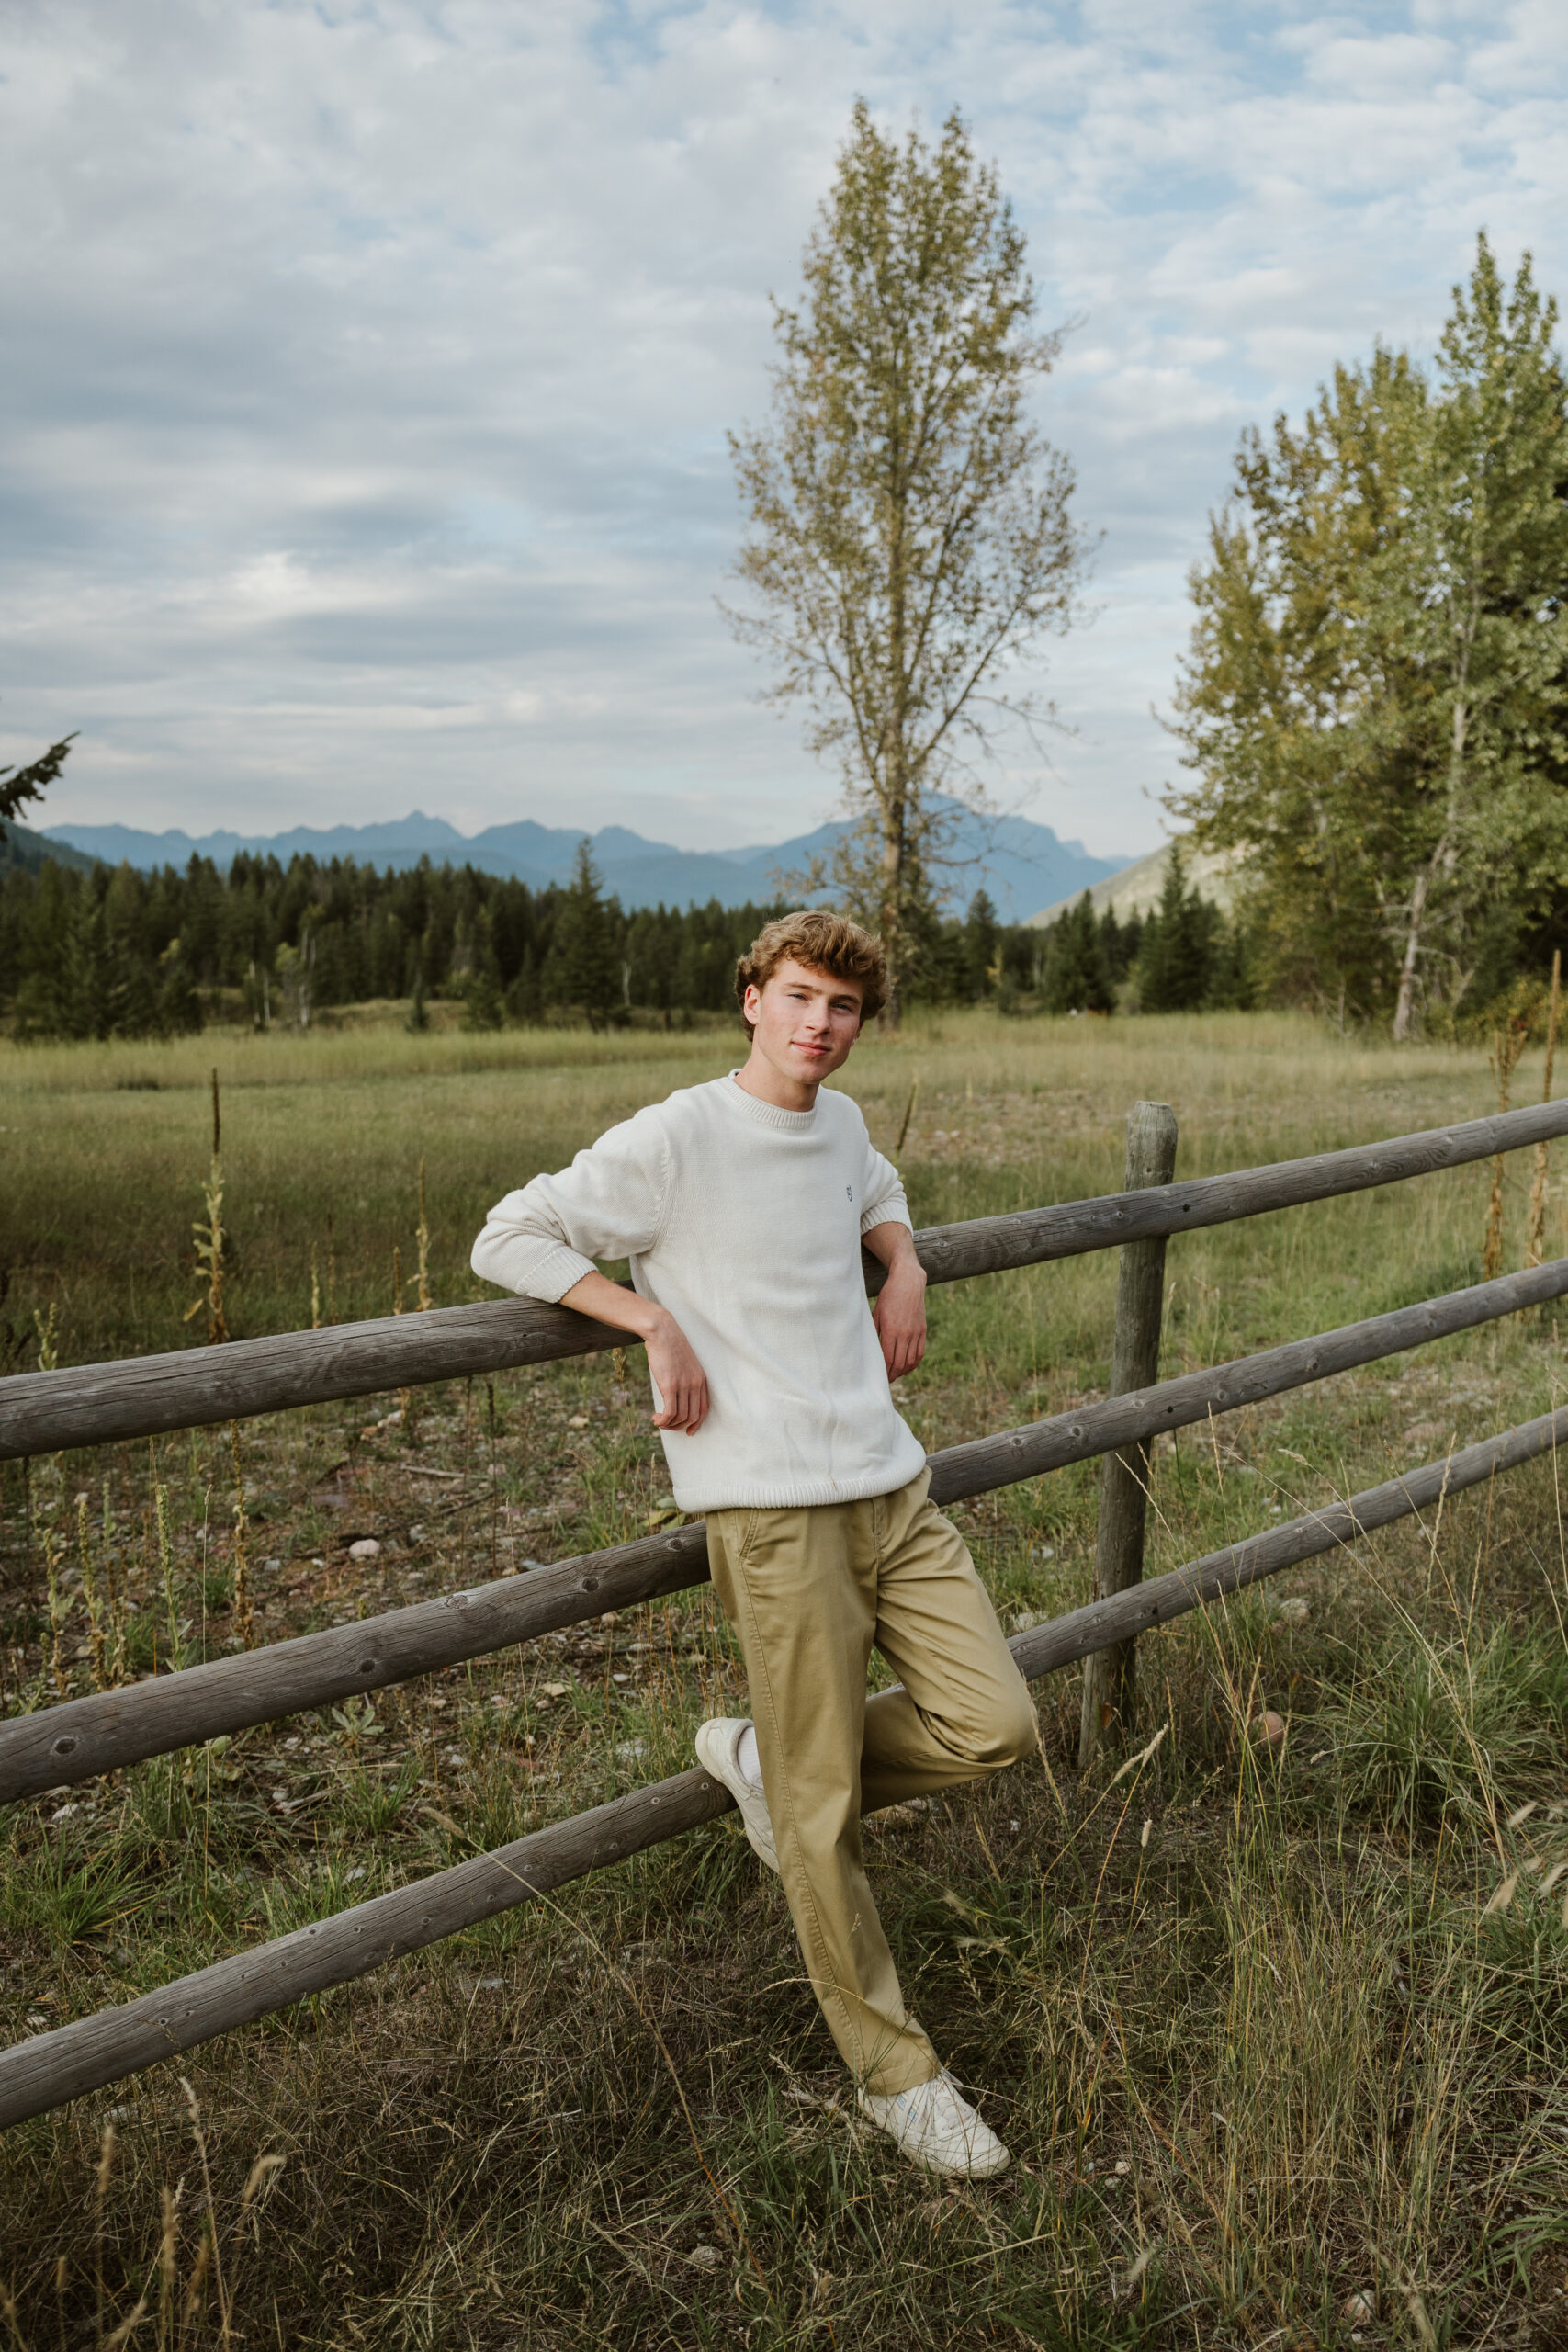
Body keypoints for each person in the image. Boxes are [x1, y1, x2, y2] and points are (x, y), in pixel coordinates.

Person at [470, 910, 1036, 2177]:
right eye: (796, 997)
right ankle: (898, 2074)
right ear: (751, 999)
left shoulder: (838, 1123)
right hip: (774, 1513)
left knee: (995, 1723)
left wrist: (905, 1266)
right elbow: (506, 1232)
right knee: (823, 1821)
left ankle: (778, 1777)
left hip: (892, 1485)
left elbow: (876, 1190)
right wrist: (646, 1317)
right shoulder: (679, 1136)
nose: (818, 1025)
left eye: (841, 1007)